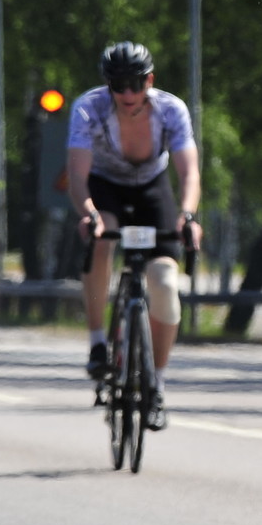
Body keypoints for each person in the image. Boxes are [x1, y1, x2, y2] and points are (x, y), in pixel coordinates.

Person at [68, 42, 201, 431]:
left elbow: (188, 172)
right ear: (107, 85)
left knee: (164, 283)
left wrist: (187, 216)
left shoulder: (171, 109)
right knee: (102, 238)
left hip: (151, 188)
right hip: (105, 187)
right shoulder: (89, 108)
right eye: (118, 85)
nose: (128, 94)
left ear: (150, 81)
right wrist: (89, 214)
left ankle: (156, 384)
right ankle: (98, 341)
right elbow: (77, 175)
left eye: (136, 84)